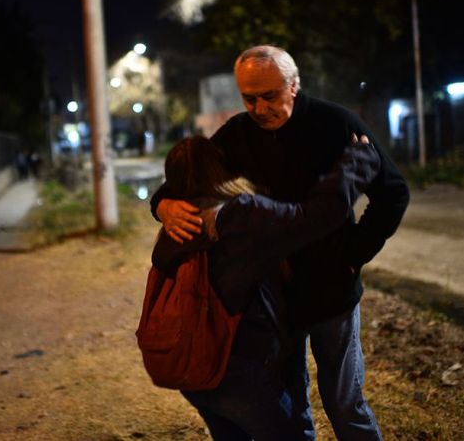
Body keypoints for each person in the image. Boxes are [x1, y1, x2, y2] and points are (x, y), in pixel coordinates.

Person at [151, 45, 410, 440]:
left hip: (331, 290)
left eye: (269, 96)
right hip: (274, 303)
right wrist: (164, 204)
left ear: (294, 85)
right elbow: (191, 178)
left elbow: (392, 193)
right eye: (248, 98)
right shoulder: (238, 134)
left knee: (344, 403)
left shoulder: (336, 124)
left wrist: (354, 254)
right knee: (293, 401)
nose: (258, 108)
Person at [151, 134, 379, 440]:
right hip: (242, 378)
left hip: (195, 375)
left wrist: (161, 205)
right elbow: (318, 215)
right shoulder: (240, 215)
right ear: (224, 168)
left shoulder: (174, 229)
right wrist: (360, 158)